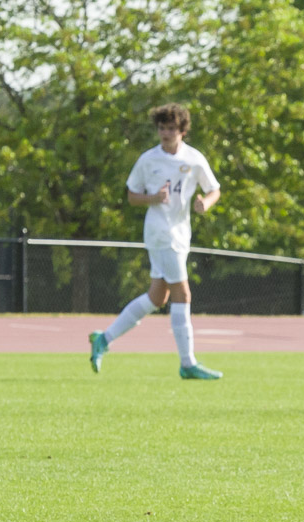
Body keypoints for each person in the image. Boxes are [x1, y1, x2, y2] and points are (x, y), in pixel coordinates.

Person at [89, 103, 223, 379]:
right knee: (182, 295)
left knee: (157, 297)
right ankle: (187, 363)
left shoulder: (194, 159)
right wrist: (153, 198)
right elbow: (131, 196)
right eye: (161, 128)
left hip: (181, 232)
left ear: (182, 131)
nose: (165, 133)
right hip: (161, 233)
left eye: (171, 128)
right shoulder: (148, 160)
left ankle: (104, 338)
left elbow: (214, 189)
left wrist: (205, 204)